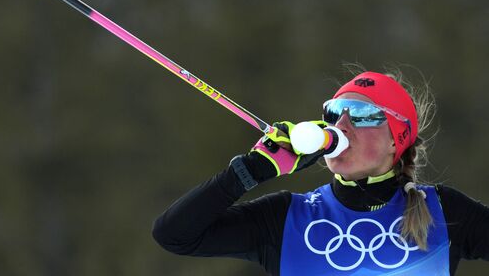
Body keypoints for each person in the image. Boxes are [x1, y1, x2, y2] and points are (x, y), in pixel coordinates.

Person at [152, 70, 489, 275]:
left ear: (396, 140)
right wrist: (247, 172)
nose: (341, 125)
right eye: (334, 113)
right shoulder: (287, 218)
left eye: (360, 113)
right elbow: (175, 235)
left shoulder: (442, 211)